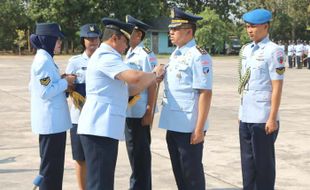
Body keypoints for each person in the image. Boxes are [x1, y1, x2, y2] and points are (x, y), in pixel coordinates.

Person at [77, 18, 165, 190]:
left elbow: (131, 88)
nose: (126, 46)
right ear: (115, 39)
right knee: (100, 184)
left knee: (104, 182)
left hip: (105, 129)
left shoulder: (109, 56)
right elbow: (135, 77)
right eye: (125, 41)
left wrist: (151, 80)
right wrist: (154, 74)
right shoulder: (105, 56)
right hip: (98, 129)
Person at [158, 7, 213, 190]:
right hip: (173, 122)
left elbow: (205, 92)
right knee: (179, 173)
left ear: (189, 31)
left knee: (192, 175)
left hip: (189, 126)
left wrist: (199, 129)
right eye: (170, 29)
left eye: (175, 29)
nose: (171, 33)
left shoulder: (199, 56)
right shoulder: (176, 54)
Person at [238, 9, 285, 190]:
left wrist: (272, 118)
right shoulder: (246, 50)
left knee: (264, 166)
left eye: (254, 26)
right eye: (248, 26)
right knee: (247, 165)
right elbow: (245, 85)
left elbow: (277, 87)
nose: (250, 30)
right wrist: (241, 114)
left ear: (265, 26)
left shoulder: (274, 51)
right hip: (246, 116)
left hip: (263, 118)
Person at [29, 22, 76, 190]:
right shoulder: (43, 61)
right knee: (50, 170)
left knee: (53, 169)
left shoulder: (46, 59)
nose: (59, 43)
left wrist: (61, 80)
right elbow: (45, 91)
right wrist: (66, 82)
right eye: (57, 40)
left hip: (53, 124)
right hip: (51, 125)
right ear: (47, 40)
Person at [65, 23, 101, 190]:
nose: (93, 41)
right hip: (78, 119)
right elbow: (66, 87)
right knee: (80, 159)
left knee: (98, 159)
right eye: (89, 38)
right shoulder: (75, 62)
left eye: (96, 38)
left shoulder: (107, 60)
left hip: (99, 119)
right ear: (83, 41)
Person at [124, 15, 157, 190]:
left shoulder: (145, 54)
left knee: (141, 156)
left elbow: (152, 83)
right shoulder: (129, 53)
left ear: (138, 35)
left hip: (140, 112)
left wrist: (149, 111)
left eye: (129, 32)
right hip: (129, 111)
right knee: (133, 155)